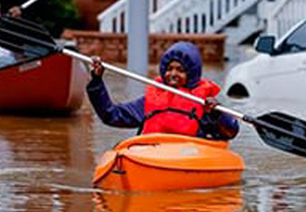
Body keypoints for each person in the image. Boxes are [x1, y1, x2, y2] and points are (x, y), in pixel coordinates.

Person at [86, 42, 239, 140]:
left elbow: (230, 132)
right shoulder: (151, 100)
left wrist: (216, 113)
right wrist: (97, 81)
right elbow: (111, 115)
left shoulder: (205, 103)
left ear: (191, 73)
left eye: (180, 70)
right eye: (169, 69)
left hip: (190, 157)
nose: (173, 74)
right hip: (152, 155)